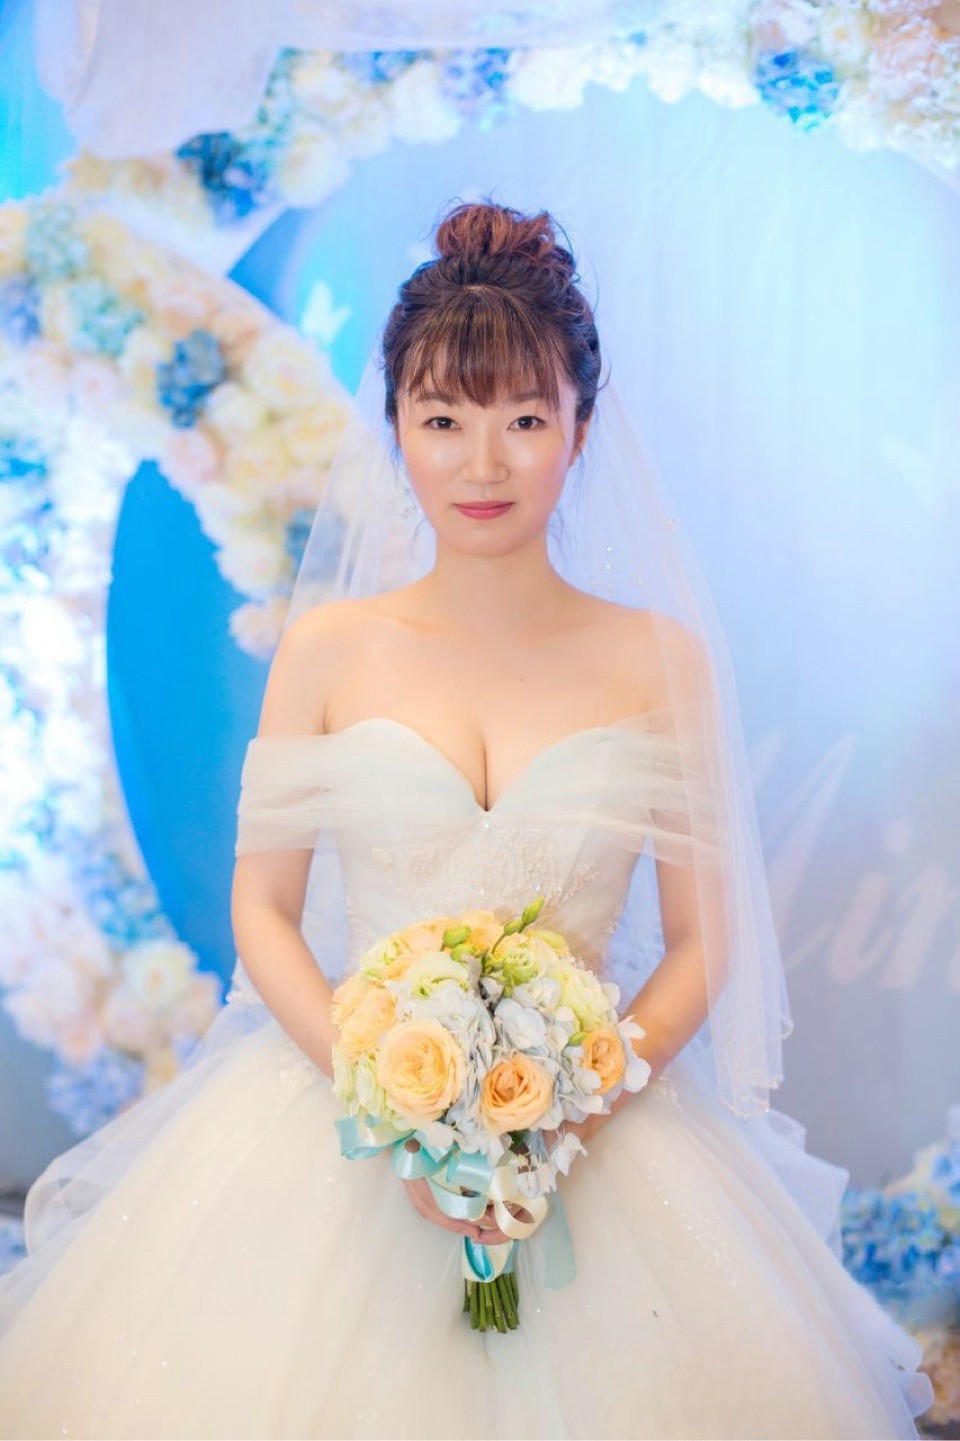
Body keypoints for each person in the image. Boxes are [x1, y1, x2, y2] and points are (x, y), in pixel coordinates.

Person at [0, 200, 936, 1440]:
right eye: (443, 419)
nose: (482, 464)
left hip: (601, 1135)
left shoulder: (656, 657)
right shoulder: (329, 647)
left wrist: (558, 1112)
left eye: (524, 420)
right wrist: (392, 1103)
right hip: (338, 1122)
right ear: (395, 427)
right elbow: (263, 910)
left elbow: (702, 941)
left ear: (580, 429)